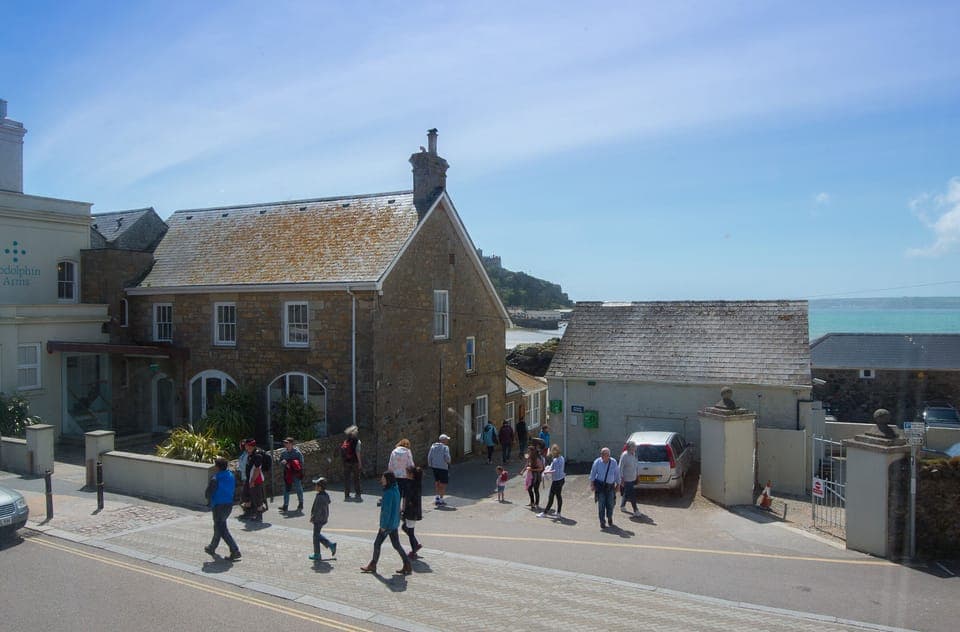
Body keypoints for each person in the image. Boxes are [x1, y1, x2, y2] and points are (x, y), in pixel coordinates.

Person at [360, 471, 412, 576]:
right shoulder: (396, 489)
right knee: (396, 545)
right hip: (394, 523)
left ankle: (373, 564)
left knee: (377, 544)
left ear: (387, 480)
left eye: (383, 479)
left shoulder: (388, 492)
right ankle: (407, 564)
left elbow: (386, 511)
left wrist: (383, 526)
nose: (381, 481)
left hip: (387, 524)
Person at [205, 457, 241, 561]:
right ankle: (212, 547)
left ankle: (235, 550)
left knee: (221, 529)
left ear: (217, 467)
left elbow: (208, 492)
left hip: (218, 505)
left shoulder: (216, 478)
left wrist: (208, 500)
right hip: (228, 504)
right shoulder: (230, 475)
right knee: (219, 526)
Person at [590, 447, 621, 529]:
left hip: (610, 487)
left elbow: (617, 474)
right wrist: (592, 484)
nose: (604, 456)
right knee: (601, 505)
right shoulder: (597, 462)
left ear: (609, 455)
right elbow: (593, 473)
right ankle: (602, 521)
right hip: (600, 487)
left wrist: (618, 485)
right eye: (603, 454)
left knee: (610, 504)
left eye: (606, 454)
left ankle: (610, 517)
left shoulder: (613, 462)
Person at [308, 476, 337, 561]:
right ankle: (330, 546)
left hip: (318, 519)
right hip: (322, 518)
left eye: (316, 485)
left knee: (315, 536)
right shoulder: (324, 495)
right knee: (316, 535)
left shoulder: (320, 497)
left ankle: (318, 553)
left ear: (320, 487)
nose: (315, 487)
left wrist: (313, 518)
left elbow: (317, 509)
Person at [402, 466, 424, 560]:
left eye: (407, 473)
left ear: (411, 474)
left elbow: (406, 498)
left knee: (410, 532)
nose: (405, 474)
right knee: (405, 527)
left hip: (411, 511)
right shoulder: (417, 483)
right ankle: (416, 545)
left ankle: (414, 550)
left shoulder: (410, 484)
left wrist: (403, 509)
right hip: (415, 511)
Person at [242, 440, 267, 521]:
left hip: (255, 480)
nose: (245, 447)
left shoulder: (257, 455)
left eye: (246, 445)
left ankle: (259, 517)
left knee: (257, 498)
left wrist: (252, 481)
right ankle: (249, 514)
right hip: (249, 479)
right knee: (247, 496)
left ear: (250, 446)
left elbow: (257, 469)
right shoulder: (250, 454)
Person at [538, 444, 566, 518]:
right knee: (558, 496)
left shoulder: (556, 460)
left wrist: (546, 472)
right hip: (562, 479)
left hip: (556, 481)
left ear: (554, 452)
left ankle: (545, 513)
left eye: (552, 452)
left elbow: (554, 470)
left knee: (551, 497)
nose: (551, 454)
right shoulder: (562, 458)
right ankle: (558, 513)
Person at [279, 437, 305, 513]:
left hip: (296, 474)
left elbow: (301, 463)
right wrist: (283, 463)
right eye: (285, 443)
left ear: (291, 444)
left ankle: (301, 503)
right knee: (286, 489)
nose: (285, 444)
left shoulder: (297, 453)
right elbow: (280, 462)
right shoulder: (283, 452)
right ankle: (285, 506)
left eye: (287, 443)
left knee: (298, 489)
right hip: (287, 474)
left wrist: (292, 464)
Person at [388, 438, 415, 508]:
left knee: (397, 493)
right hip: (406, 475)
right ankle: (404, 509)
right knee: (406, 494)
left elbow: (390, 464)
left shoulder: (394, 451)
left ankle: (397, 509)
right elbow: (411, 464)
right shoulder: (408, 452)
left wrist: (390, 473)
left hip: (396, 475)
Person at [427, 434, 451, 506]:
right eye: (446, 439)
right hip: (443, 467)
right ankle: (441, 500)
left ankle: (437, 498)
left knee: (437, 482)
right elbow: (447, 457)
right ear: (443, 440)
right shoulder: (445, 447)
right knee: (443, 484)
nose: (447, 441)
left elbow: (429, 456)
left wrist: (430, 464)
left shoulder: (433, 446)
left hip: (435, 467)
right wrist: (448, 462)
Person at [340, 425, 363, 501]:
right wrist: (360, 463)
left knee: (347, 478)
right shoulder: (357, 441)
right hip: (355, 462)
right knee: (356, 478)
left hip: (346, 462)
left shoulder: (346, 441)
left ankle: (347, 494)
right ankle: (358, 493)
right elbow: (358, 452)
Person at [619, 440, 640, 516]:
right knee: (632, 494)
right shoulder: (624, 455)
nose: (635, 448)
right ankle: (636, 510)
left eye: (635, 446)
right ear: (629, 448)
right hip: (626, 479)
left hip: (633, 477)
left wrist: (637, 475)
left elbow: (636, 465)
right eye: (634, 446)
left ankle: (622, 506)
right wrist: (621, 479)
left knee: (627, 492)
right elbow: (620, 467)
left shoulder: (634, 454)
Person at [521, 444, 544, 509]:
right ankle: (532, 502)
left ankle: (536, 503)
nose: (528, 452)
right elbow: (527, 464)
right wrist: (523, 470)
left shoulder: (537, 459)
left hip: (536, 476)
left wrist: (532, 469)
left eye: (529, 451)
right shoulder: (529, 457)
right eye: (528, 451)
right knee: (529, 489)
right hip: (530, 475)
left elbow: (541, 468)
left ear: (533, 452)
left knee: (536, 490)